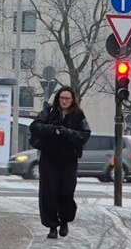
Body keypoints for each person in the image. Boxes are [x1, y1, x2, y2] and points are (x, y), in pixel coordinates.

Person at [29, 86, 91, 239]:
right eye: (62, 98)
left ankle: (64, 221)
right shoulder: (48, 112)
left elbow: (84, 135)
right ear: (58, 99)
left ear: (72, 100)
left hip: (68, 160)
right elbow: (35, 126)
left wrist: (66, 132)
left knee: (66, 192)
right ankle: (52, 226)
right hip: (49, 158)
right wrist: (52, 129)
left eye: (67, 98)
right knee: (48, 193)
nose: (64, 101)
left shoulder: (78, 116)